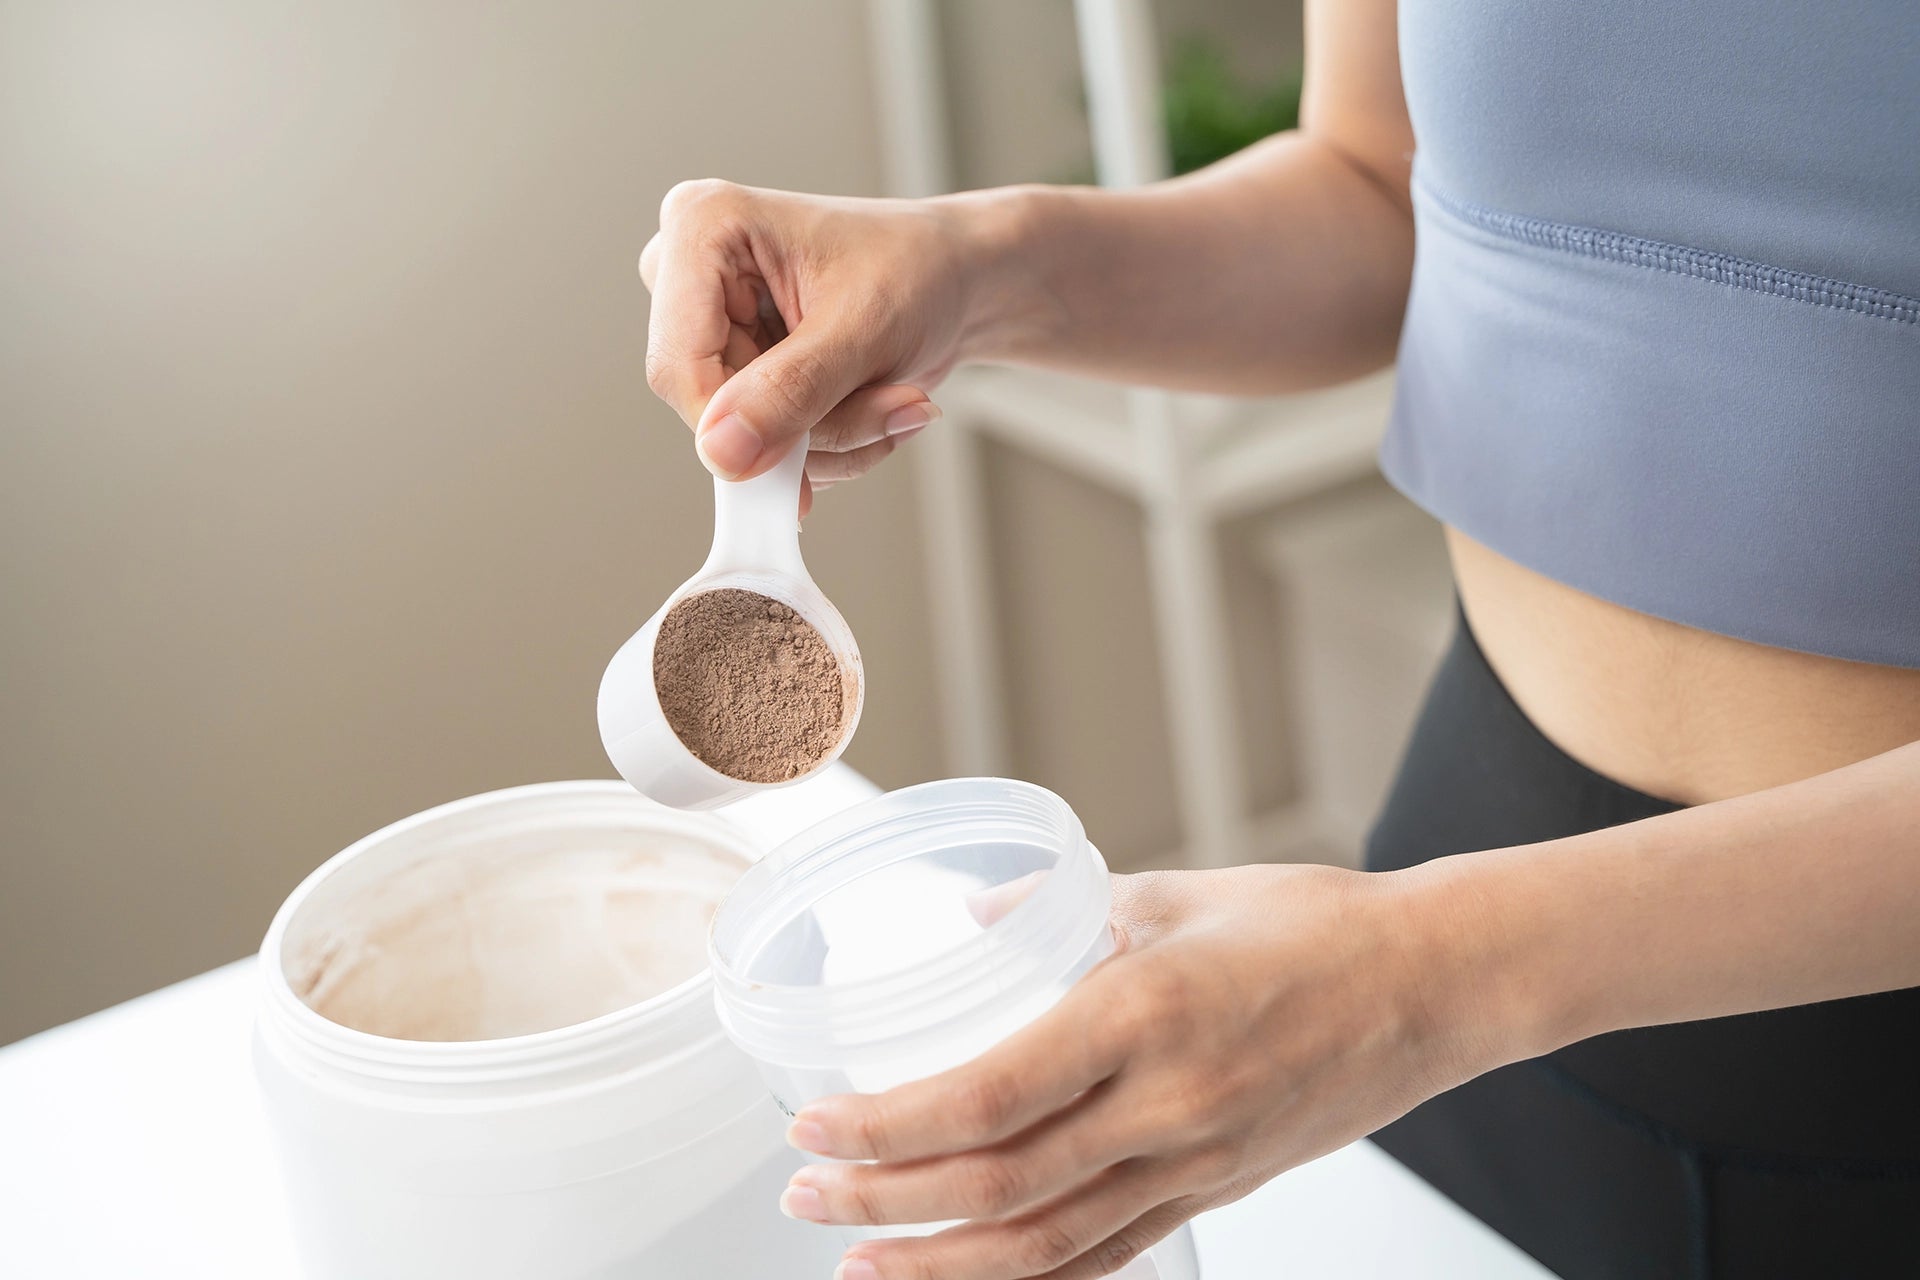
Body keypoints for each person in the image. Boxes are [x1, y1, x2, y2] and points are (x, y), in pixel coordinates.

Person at [638, 2, 1920, 1276]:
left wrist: (1431, 976)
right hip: (1476, 862)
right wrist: (976, 265)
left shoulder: (1425, 977)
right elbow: (1377, 192)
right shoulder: (1425, 964)